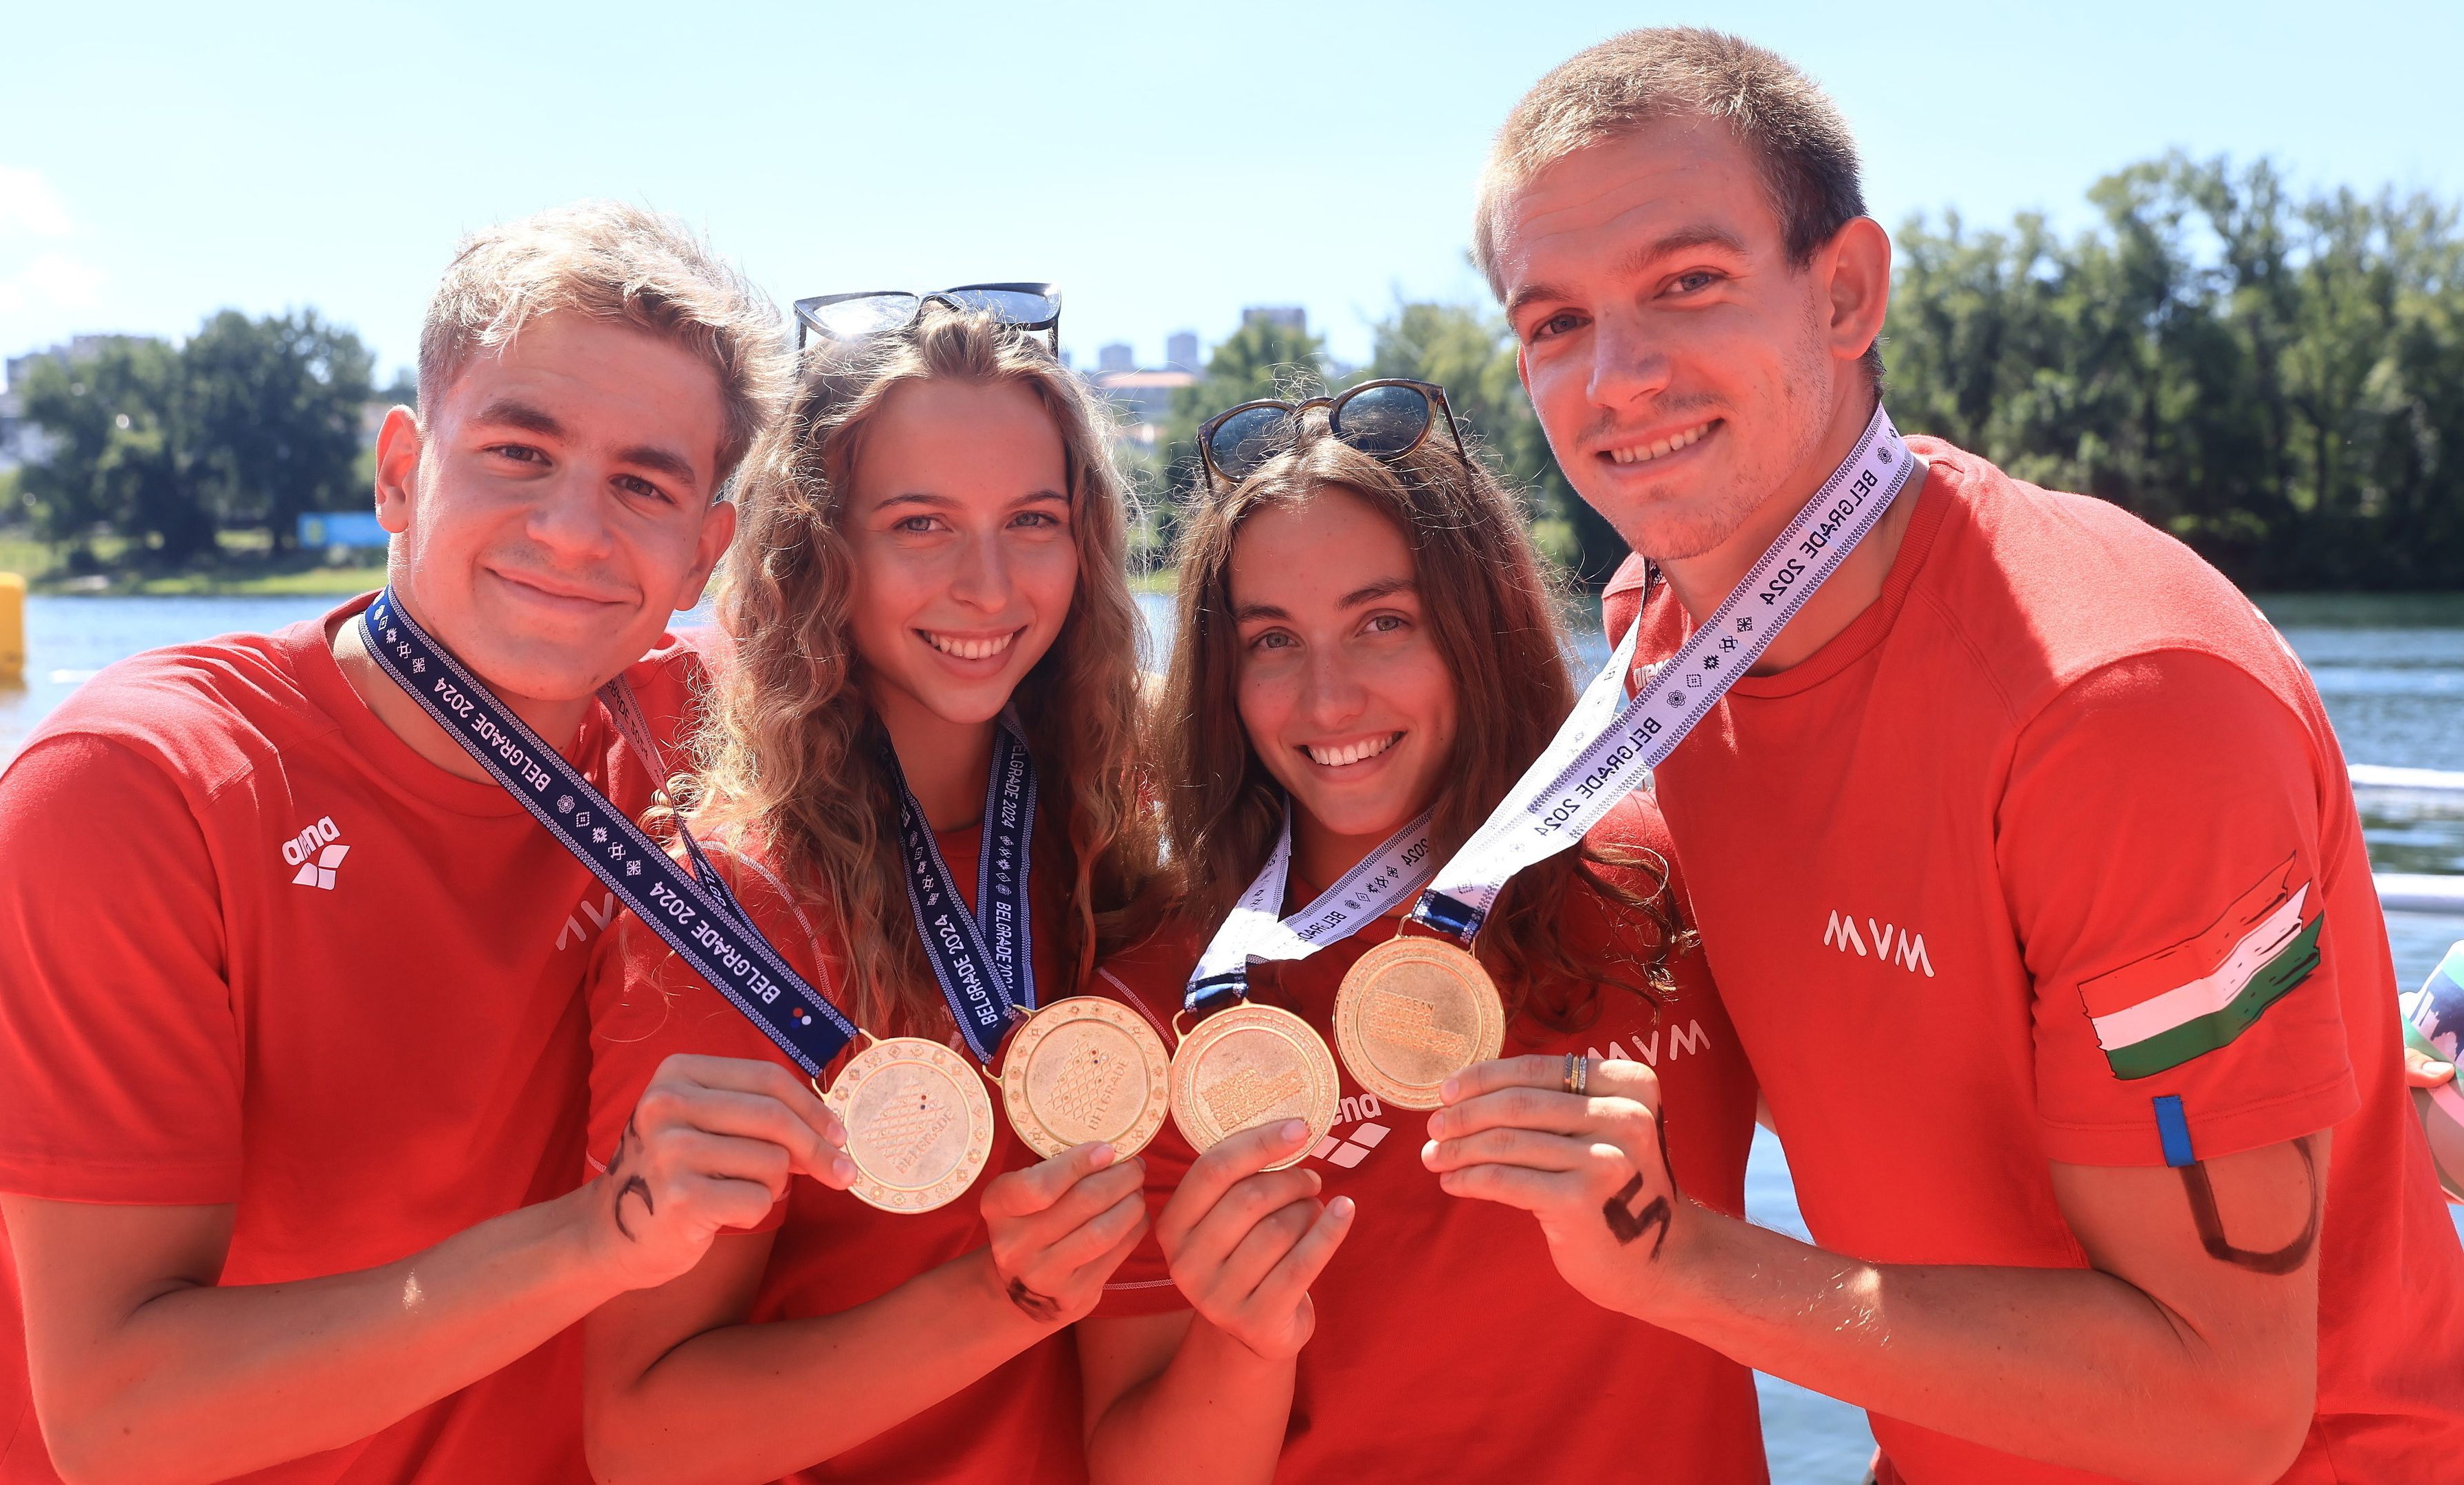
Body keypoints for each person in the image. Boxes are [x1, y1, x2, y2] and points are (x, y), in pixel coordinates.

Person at [1437, 26, 2464, 1483]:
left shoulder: (2118, 709)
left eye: (1688, 284)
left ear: (1848, 291)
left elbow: (2225, 1410)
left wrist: (1676, 1262)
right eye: (1553, 323)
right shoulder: (1655, 648)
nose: (1616, 376)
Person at [0, 201, 853, 1485]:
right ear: (398, 473)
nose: (577, 530)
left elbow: (991, 658)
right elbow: (115, 1419)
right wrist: (605, 1237)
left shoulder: (683, 730)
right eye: (519, 453)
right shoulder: (142, 790)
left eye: (643, 485)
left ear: (706, 552)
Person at [1072, 380, 1768, 1482]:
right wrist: (1245, 1343)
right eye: (1272, 642)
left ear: (1480, 630)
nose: (1329, 699)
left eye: (1382, 623)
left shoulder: (1665, 872)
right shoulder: (1158, 1010)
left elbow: (1899, 1171)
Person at [578, 299, 1177, 1485]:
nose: (989, 583)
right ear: (816, 552)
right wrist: (1003, 1296)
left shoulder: (1129, 837)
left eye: (1034, 522)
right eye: (921, 525)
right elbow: (644, 1437)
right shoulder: (734, 913)